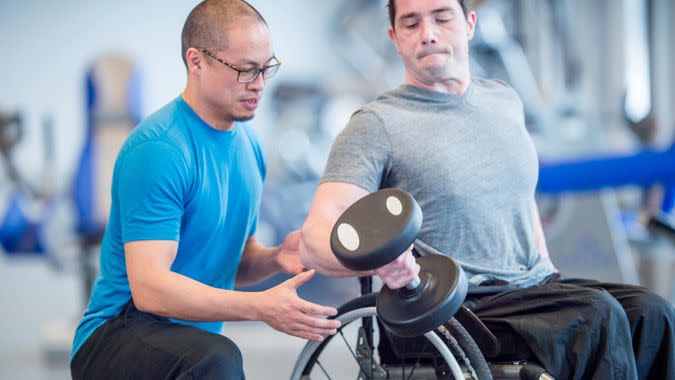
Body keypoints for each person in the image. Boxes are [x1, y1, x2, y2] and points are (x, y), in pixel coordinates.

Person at [298, 0, 675, 379]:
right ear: (395, 38)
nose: (427, 33)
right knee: (597, 316)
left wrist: (549, 274)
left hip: (533, 291)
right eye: (411, 24)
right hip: (454, 309)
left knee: (652, 312)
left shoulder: (504, 100)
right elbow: (314, 240)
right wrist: (381, 262)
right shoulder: (376, 124)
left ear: (469, 24)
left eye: (442, 18)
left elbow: (521, 203)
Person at [70, 1, 341, 379]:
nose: (259, 84)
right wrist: (260, 306)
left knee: (212, 355)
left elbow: (234, 261)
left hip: (183, 340)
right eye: (245, 70)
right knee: (217, 359)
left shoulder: (250, 146)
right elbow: (150, 289)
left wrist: (277, 256)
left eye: (266, 68)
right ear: (196, 61)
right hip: (116, 333)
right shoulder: (160, 149)